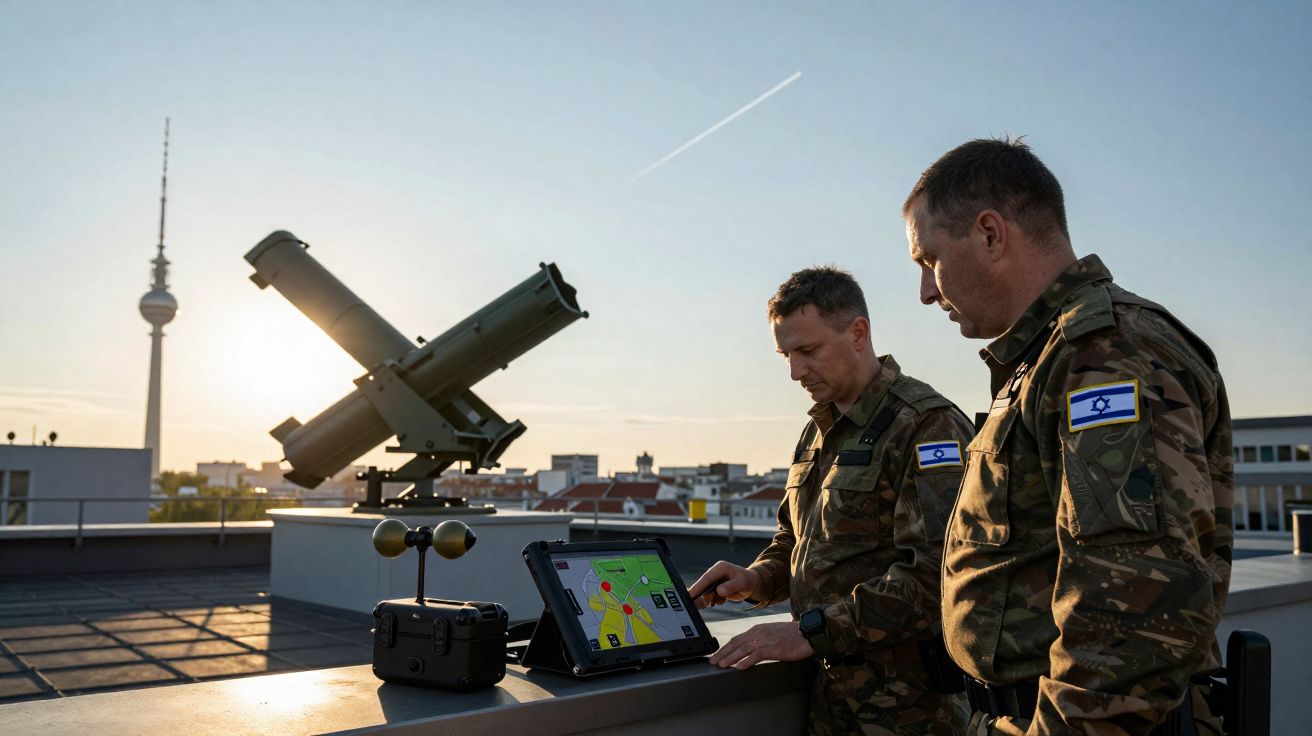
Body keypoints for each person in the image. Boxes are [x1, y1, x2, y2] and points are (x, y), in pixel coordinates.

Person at [903, 137, 1233, 735]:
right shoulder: (1049, 358)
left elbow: (1131, 617)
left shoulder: (1105, 352)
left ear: (990, 234)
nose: (926, 291)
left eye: (929, 260)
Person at [689, 266, 973, 736]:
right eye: (786, 355)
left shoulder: (926, 425)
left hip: (911, 710)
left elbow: (938, 577)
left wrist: (810, 631)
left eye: (808, 351)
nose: (795, 372)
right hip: (829, 700)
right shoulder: (817, 432)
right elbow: (798, 540)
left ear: (858, 333)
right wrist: (757, 579)